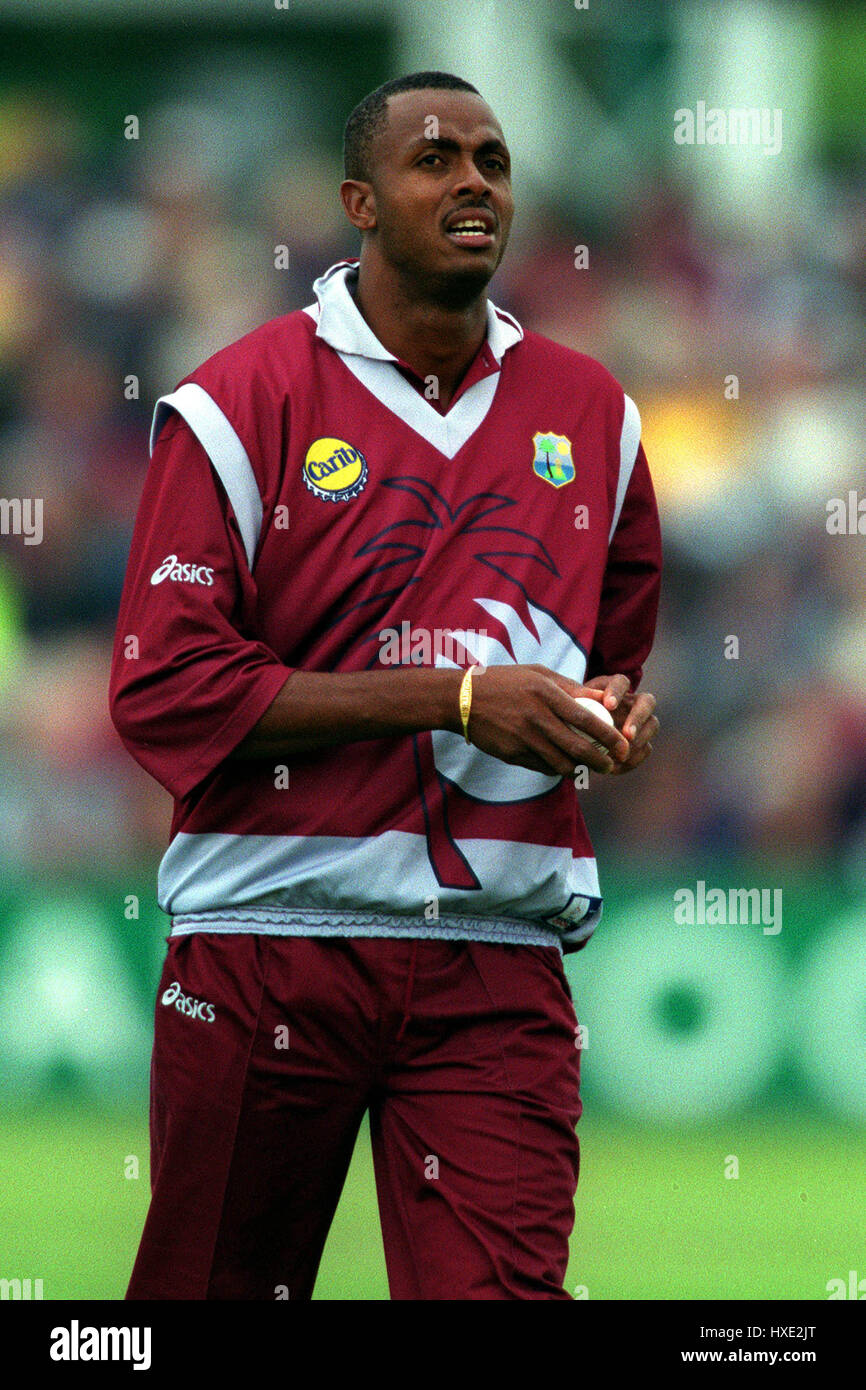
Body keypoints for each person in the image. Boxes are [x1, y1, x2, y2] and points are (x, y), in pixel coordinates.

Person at [109, 70, 661, 1301]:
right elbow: (165, 690)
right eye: (435, 159)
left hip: (496, 958)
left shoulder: (594, 412)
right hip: (269, 937)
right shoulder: (238, 400)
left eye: (493, 160)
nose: (473, 180)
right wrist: (455, 697)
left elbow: (607, 657)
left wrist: (612, 715)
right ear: (359, 200)